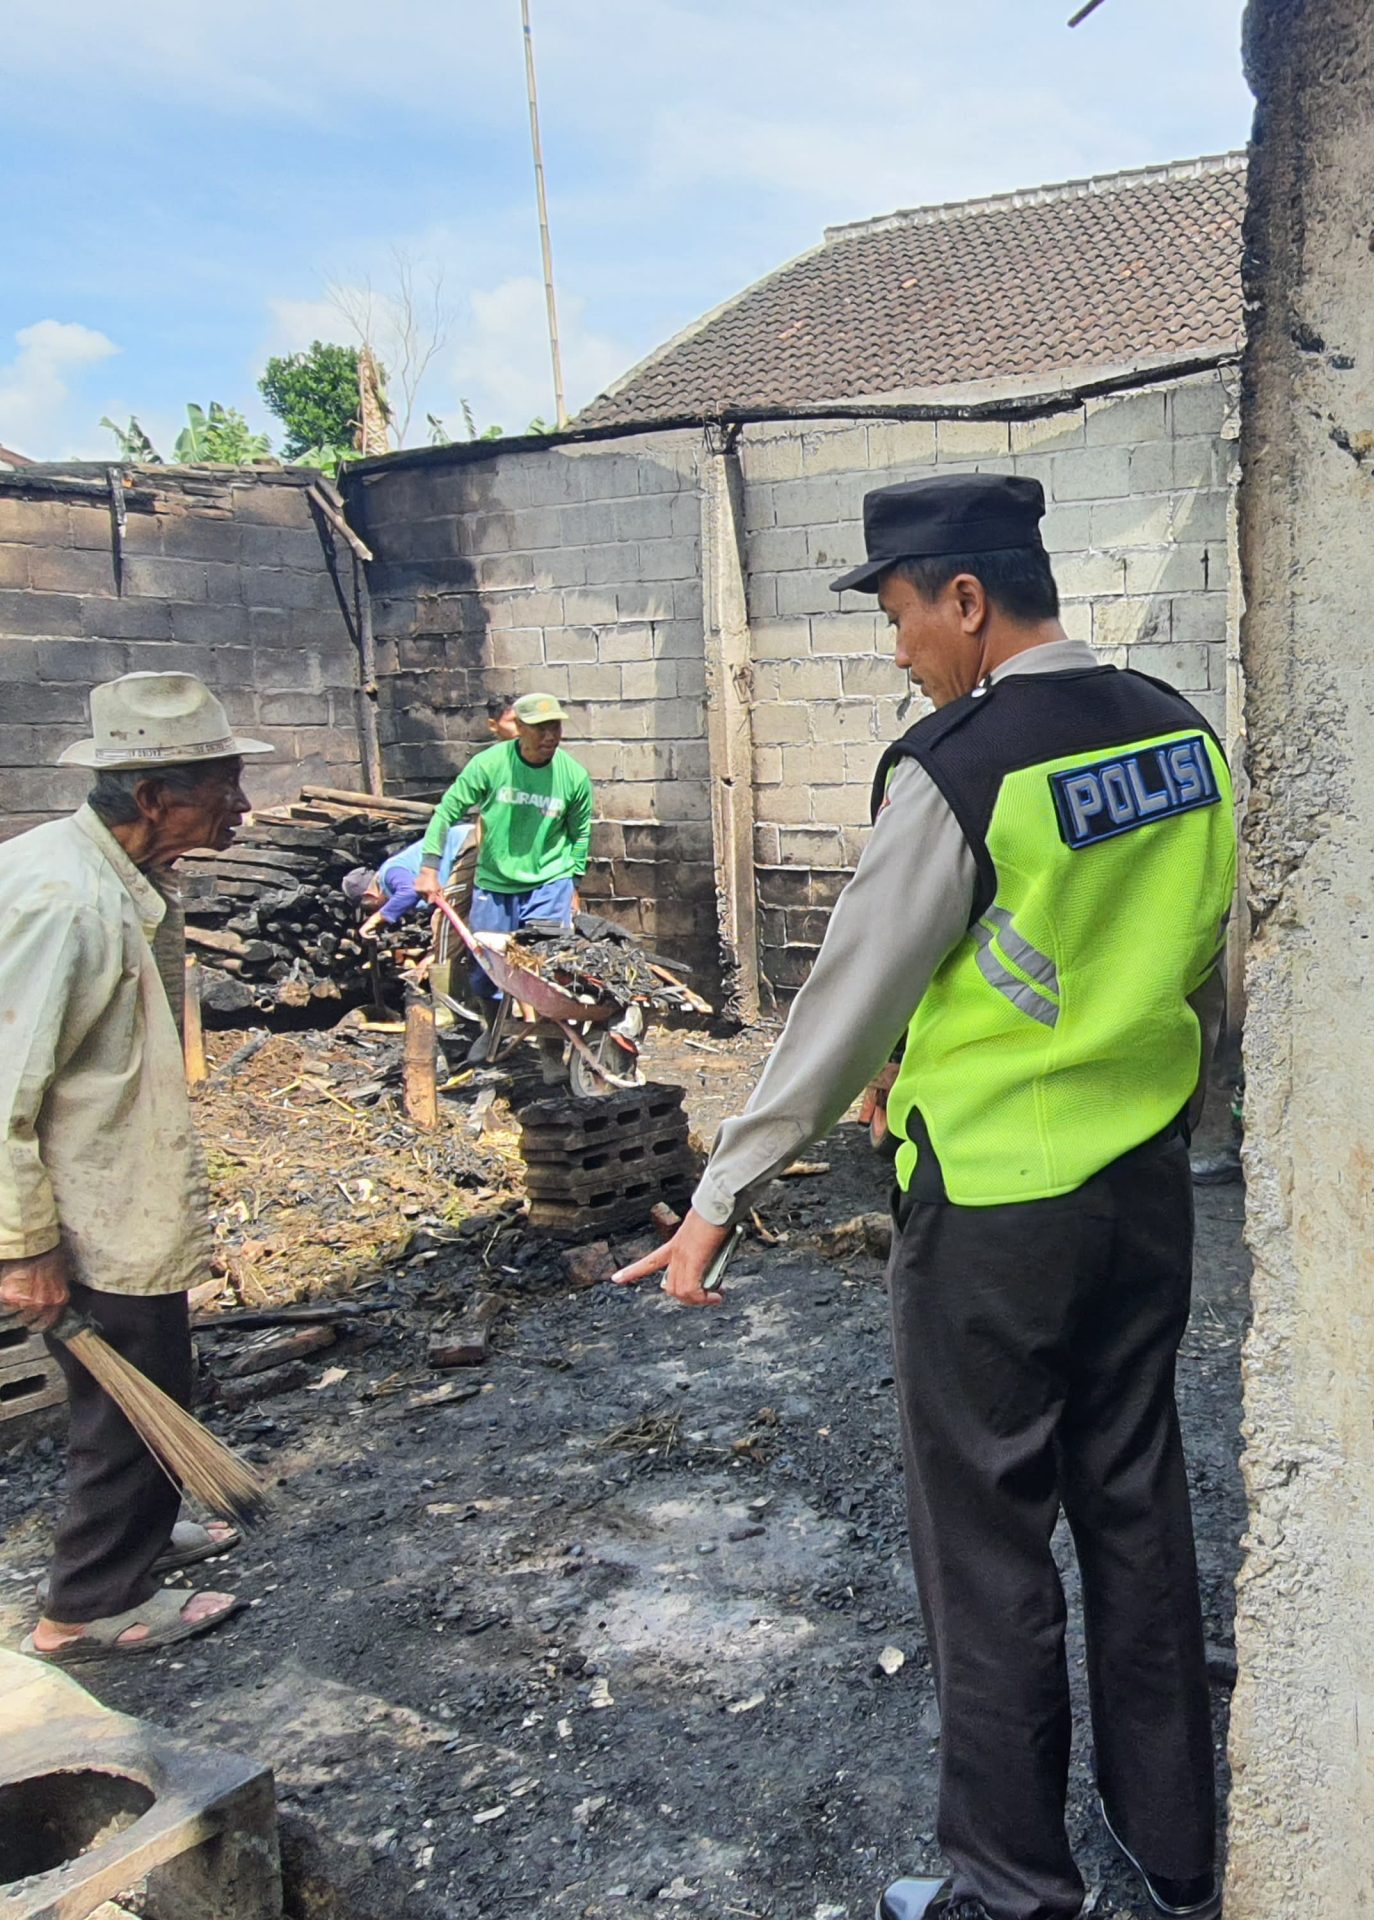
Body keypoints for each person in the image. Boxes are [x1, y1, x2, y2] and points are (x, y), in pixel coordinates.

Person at [614, 474, 1233, 1920]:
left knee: (988, 1536)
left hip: (997, 1217)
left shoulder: (958, 763)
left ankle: (1010, 1886)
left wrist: (722, 1191)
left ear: (966, 599)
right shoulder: (1179, 730)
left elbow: (845, 998)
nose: (899, 650)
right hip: (1144, 1186)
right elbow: (1197, 947)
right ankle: (1178, 1841)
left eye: (900, 616)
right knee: (1136, 1504)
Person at [1, 673, 261, 1662]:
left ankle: (146, 1532)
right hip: (91, 1207)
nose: (241, 808)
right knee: (122, 1398)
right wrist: (22, 1246)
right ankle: (90, 1603)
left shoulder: (106, 877)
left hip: (118, 1189)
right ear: (155, 798)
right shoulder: (66, 902)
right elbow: (4, 1086)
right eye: (222, 787)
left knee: (150, 1373)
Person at [415, 690, 591, 1012]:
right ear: (520, 727)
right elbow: (446, 812)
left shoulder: (574, 777)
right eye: (541, 728)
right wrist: (429, 867)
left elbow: (580, 835)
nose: (550, 736)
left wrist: (574, 883)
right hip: (495, 882)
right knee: (488, 972)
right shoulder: (489, 765)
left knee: (545, 968)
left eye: (556, 727)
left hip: (549, 883)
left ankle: (548, 1047)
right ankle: (492, 1027)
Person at [342, 835, 460, 934]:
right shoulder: (394, 877)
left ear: (371, 895)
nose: (374, 912)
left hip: (462, 849)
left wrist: (377, 918)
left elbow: (410, 891)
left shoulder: (389, 872)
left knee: (444, 925)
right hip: (461, 860)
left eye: (370, 909)